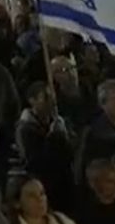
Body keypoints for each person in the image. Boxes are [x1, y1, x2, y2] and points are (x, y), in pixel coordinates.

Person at [15, 81, 76, 213]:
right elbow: (35, 161)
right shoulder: (25, 129)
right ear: (32, 100)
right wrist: (54, 137)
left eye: (52, 97)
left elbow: (72, 153)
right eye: (46, 97)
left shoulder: (59, 121)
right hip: (46, 185)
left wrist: (66, 135)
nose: (51, 102)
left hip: (65, 183)